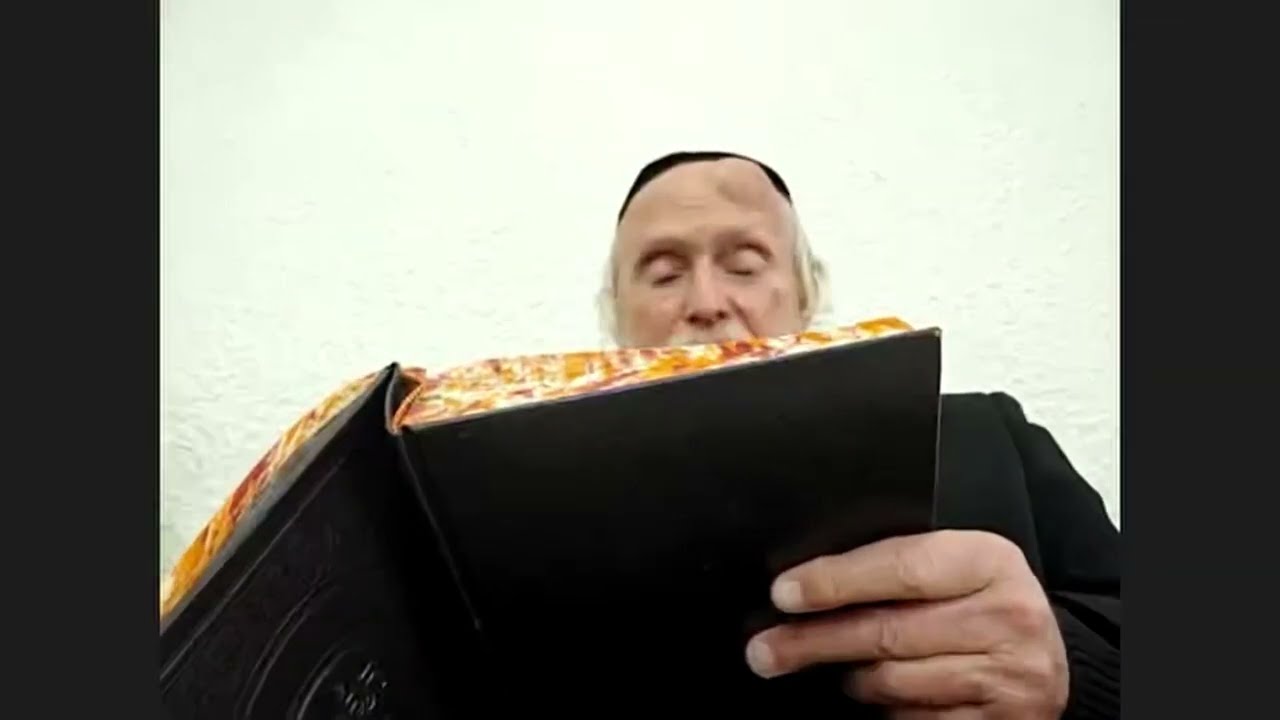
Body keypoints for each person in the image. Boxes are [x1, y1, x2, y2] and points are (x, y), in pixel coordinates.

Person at [597, 151, 1120, 719]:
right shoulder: (544, 499)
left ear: (805, 297)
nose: (706, 303)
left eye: (745, 267)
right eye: (665, 275)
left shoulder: (989, 438)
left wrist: (1071, 669)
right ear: (616, 317)